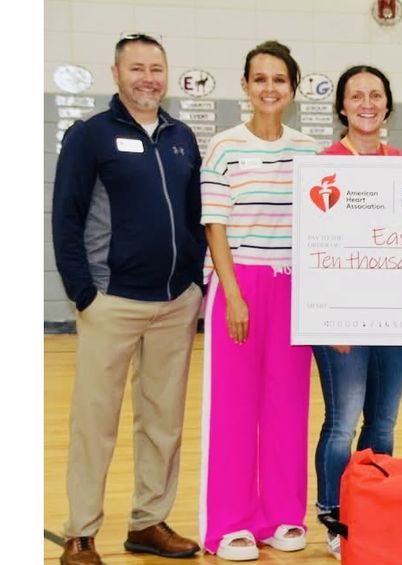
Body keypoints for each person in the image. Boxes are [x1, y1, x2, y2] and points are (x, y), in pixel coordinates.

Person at [52, 33, 204, 565]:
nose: (148, 78)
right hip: (110, 301)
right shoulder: (91, 136)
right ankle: (81, 531)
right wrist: (82, 292)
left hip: (174, 304)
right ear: (116, 74)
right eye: (136, 68)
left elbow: (194, 216)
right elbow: (65, 217)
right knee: (95, 422)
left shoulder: (182, 137)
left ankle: (148, 522)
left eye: (156, 68)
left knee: (162, 421)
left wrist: (195, 284)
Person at [198, 41, 319, 561]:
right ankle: (229, 524)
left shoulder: (310, 152)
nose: (270, 87)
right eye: (260, 78)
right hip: (239, 283)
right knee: (234, 408)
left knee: (288, 406)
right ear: (246, 86)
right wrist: (233, 293)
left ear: (293, 88)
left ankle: (283, 517)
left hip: (293, 284)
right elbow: (215, 225)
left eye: (279, 79)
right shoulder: (224, 146)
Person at [313, 65, 402, 561]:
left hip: (395, 317)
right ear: (343, 106)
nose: (367, 103)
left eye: (376, 94)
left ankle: (375, 509)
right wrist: (331, 317)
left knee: (384, 426)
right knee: (343, 422)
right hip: (343, 322)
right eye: (357, 96)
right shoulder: (324, 164)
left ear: (387, 105)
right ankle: (333, 513)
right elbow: (317, 250)